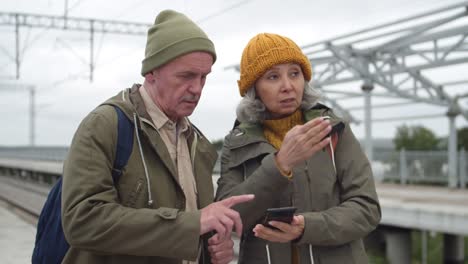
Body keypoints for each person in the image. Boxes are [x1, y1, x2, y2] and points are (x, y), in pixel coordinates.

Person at [61, 10, 254, 264]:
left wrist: (214, 250)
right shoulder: (106, 125)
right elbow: (81, 221)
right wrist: (192, 224)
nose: (197, 88)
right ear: (151, 72)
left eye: (204, 77)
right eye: (186, 76)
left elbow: (195, 229)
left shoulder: (196, 142)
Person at [215, 33, 381, 264]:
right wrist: (280, 164)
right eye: (273, 77)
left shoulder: (332, 130)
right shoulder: (237, 144)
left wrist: (306, 227)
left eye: (295, 73)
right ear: (254, 88)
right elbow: (229, 218)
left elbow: (366, 208)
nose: (288, 86)